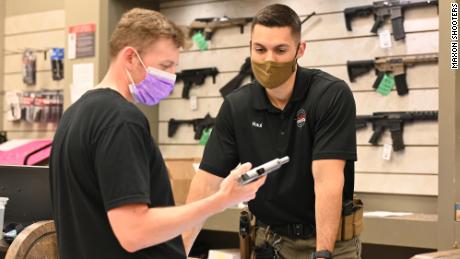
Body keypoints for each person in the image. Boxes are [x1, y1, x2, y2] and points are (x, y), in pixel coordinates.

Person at [49, 8, 265, 259]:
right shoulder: (121, 121)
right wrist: (219, 200)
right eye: (165, 65)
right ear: (130, 57)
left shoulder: (74, 115)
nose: (171, 77)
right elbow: (134, 231)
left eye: (174, 67)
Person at [183, 4, 361, 259]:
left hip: (331, 241)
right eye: (260, 49)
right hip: (270, 241)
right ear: (250, 48)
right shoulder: (237, 106)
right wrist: (178, 250)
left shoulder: (329, 95)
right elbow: (206, 183)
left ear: (300, 50)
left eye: (280, 50)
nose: (269, 60)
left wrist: (323, 254)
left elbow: (327, 180)